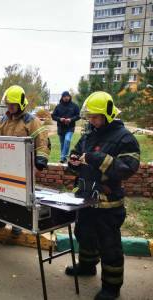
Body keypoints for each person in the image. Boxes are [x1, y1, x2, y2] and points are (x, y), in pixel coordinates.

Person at [65, 91, 140, 300]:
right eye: (89, 117)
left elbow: (127, 168)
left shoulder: (124, 138)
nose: (92, 121)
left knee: (109, 246)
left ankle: (112, 287)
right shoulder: (90, 134)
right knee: (84, 234)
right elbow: (77, 152)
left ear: (107, 115)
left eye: (95, 117)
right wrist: (73, 161)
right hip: (86, 199)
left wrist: (97, 158)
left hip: (108, 204)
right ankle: (87, 266)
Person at [0, 85, 50, 235]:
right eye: (8, 104)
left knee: (19, 195)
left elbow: (43, 142)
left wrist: (39, 164)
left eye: (13, 104)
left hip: (23, 167)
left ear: (21, 104)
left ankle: (18, 223)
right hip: (3, 165)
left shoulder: (31, 121)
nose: (10, 107)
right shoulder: (3, 120)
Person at [52, 91, 80, 163]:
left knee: (67, 140)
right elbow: (53, 116)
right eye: (64, 96)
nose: (66, 98)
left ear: (70, 97)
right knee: (63, 144)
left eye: (67, 96)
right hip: (61, 128)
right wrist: (60, 119)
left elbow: (78, 116)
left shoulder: (74, 106)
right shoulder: (58, 106)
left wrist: (71, 119)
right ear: (62, 97)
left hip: (70, 127)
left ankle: (62, 158)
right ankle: (64, 159)